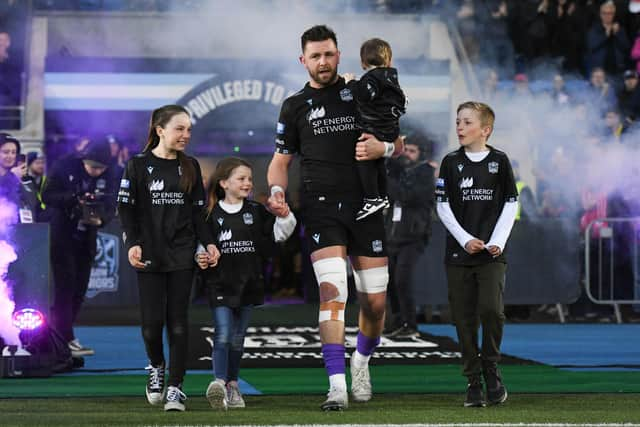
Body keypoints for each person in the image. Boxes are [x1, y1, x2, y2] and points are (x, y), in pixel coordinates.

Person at [266, 25, 403, 411]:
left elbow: (399, 140)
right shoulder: (294, 105)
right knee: (333, 293)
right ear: (303, 60)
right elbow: (280, 163)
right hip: (321, 210)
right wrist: (277, 192)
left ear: (339, 54)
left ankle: (361, 361)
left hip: (368, 207)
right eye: (315, 56)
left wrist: (384, 147)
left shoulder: (363, 90)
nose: (322, 62)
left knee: (374, 304)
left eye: (328, 54)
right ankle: (337, 385)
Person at [117, 104, 219, 412]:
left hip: (182, 254)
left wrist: (210, 244)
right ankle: (156, 366)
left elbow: (198, 214)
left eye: (189, 129)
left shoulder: (189, 166)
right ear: (160, 130)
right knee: (151, 325)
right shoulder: (137, 165)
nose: (186, 135)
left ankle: (175, 387)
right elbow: (126, 209)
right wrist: (133, 243)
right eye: (180, 128)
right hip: (149, 253)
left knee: (178, 324)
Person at [196, 157, 297, 410]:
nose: (248, 183)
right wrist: (200, 255)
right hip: (220, 284)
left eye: (250, 179)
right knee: (223, 334)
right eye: (241, 179)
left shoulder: (256, 211)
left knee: (238, 338)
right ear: (223, 183)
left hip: (250, 283)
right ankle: (218, 382)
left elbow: (279, 234)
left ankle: (232, 385)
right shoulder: (209, 214)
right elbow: (200, 243)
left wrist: (285, 216)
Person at [435, 101, 518, 407]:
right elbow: (442, 207)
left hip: (492, 256)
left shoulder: (500, 161)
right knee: (463, 319)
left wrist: (497, 241)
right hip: (458, 255)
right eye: (458, 122)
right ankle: (473, 380)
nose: (460, 127)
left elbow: (511, 202)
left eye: (467, 122)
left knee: (492, 311)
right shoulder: (449, 162)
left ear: (485, 130)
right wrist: (466, 239)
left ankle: (491, 368)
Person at [42, 140, 117, 358]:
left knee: (79, 291)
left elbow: (112, 205)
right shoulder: (64, 166)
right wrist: (74, 200)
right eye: (92, 167)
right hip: (62, 236)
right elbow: (47, 196)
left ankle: (62, 336)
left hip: (87, 238)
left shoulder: (111, 174)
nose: (96, 172)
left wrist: (100, 219)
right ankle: (64, 338)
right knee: (64, 290)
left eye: (101, 168)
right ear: (83, 160)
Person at [343, 38, 406, 221]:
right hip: (390, 130)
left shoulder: (371, 78)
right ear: (389, 60)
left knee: (364, 158)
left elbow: (362, 94)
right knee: (379, 163)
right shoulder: (392, 77)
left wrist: (350, 82)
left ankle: (372, 198)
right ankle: (383, 196)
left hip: (375, 130)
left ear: (363, 62)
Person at [384, 131, 435, 338]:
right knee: (391, 281)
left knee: (402, 280)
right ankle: (398, 321)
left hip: (413, 236)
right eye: (405, 149)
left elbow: (407, 196)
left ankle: (410, 324)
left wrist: (389, 180)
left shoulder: (425, 173)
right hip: (393, 235)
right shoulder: (398, 171)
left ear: (421, 154)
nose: (406, 154)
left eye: (412, 151)